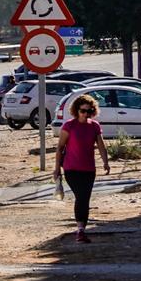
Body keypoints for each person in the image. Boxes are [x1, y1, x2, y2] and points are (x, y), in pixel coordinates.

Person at [53, 94, 110, 243]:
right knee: (81, 197)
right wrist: (56, 169)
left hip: (89, 169)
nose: (86, 114)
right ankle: (80, 230)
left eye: (89, 111)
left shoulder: (95, 126)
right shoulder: (69, 126)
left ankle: (81, 230)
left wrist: (106, 162)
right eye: (83, 111)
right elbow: (60, 148)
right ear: (76, 110)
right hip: (71, 168)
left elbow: (101, 146)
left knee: (85, 199)